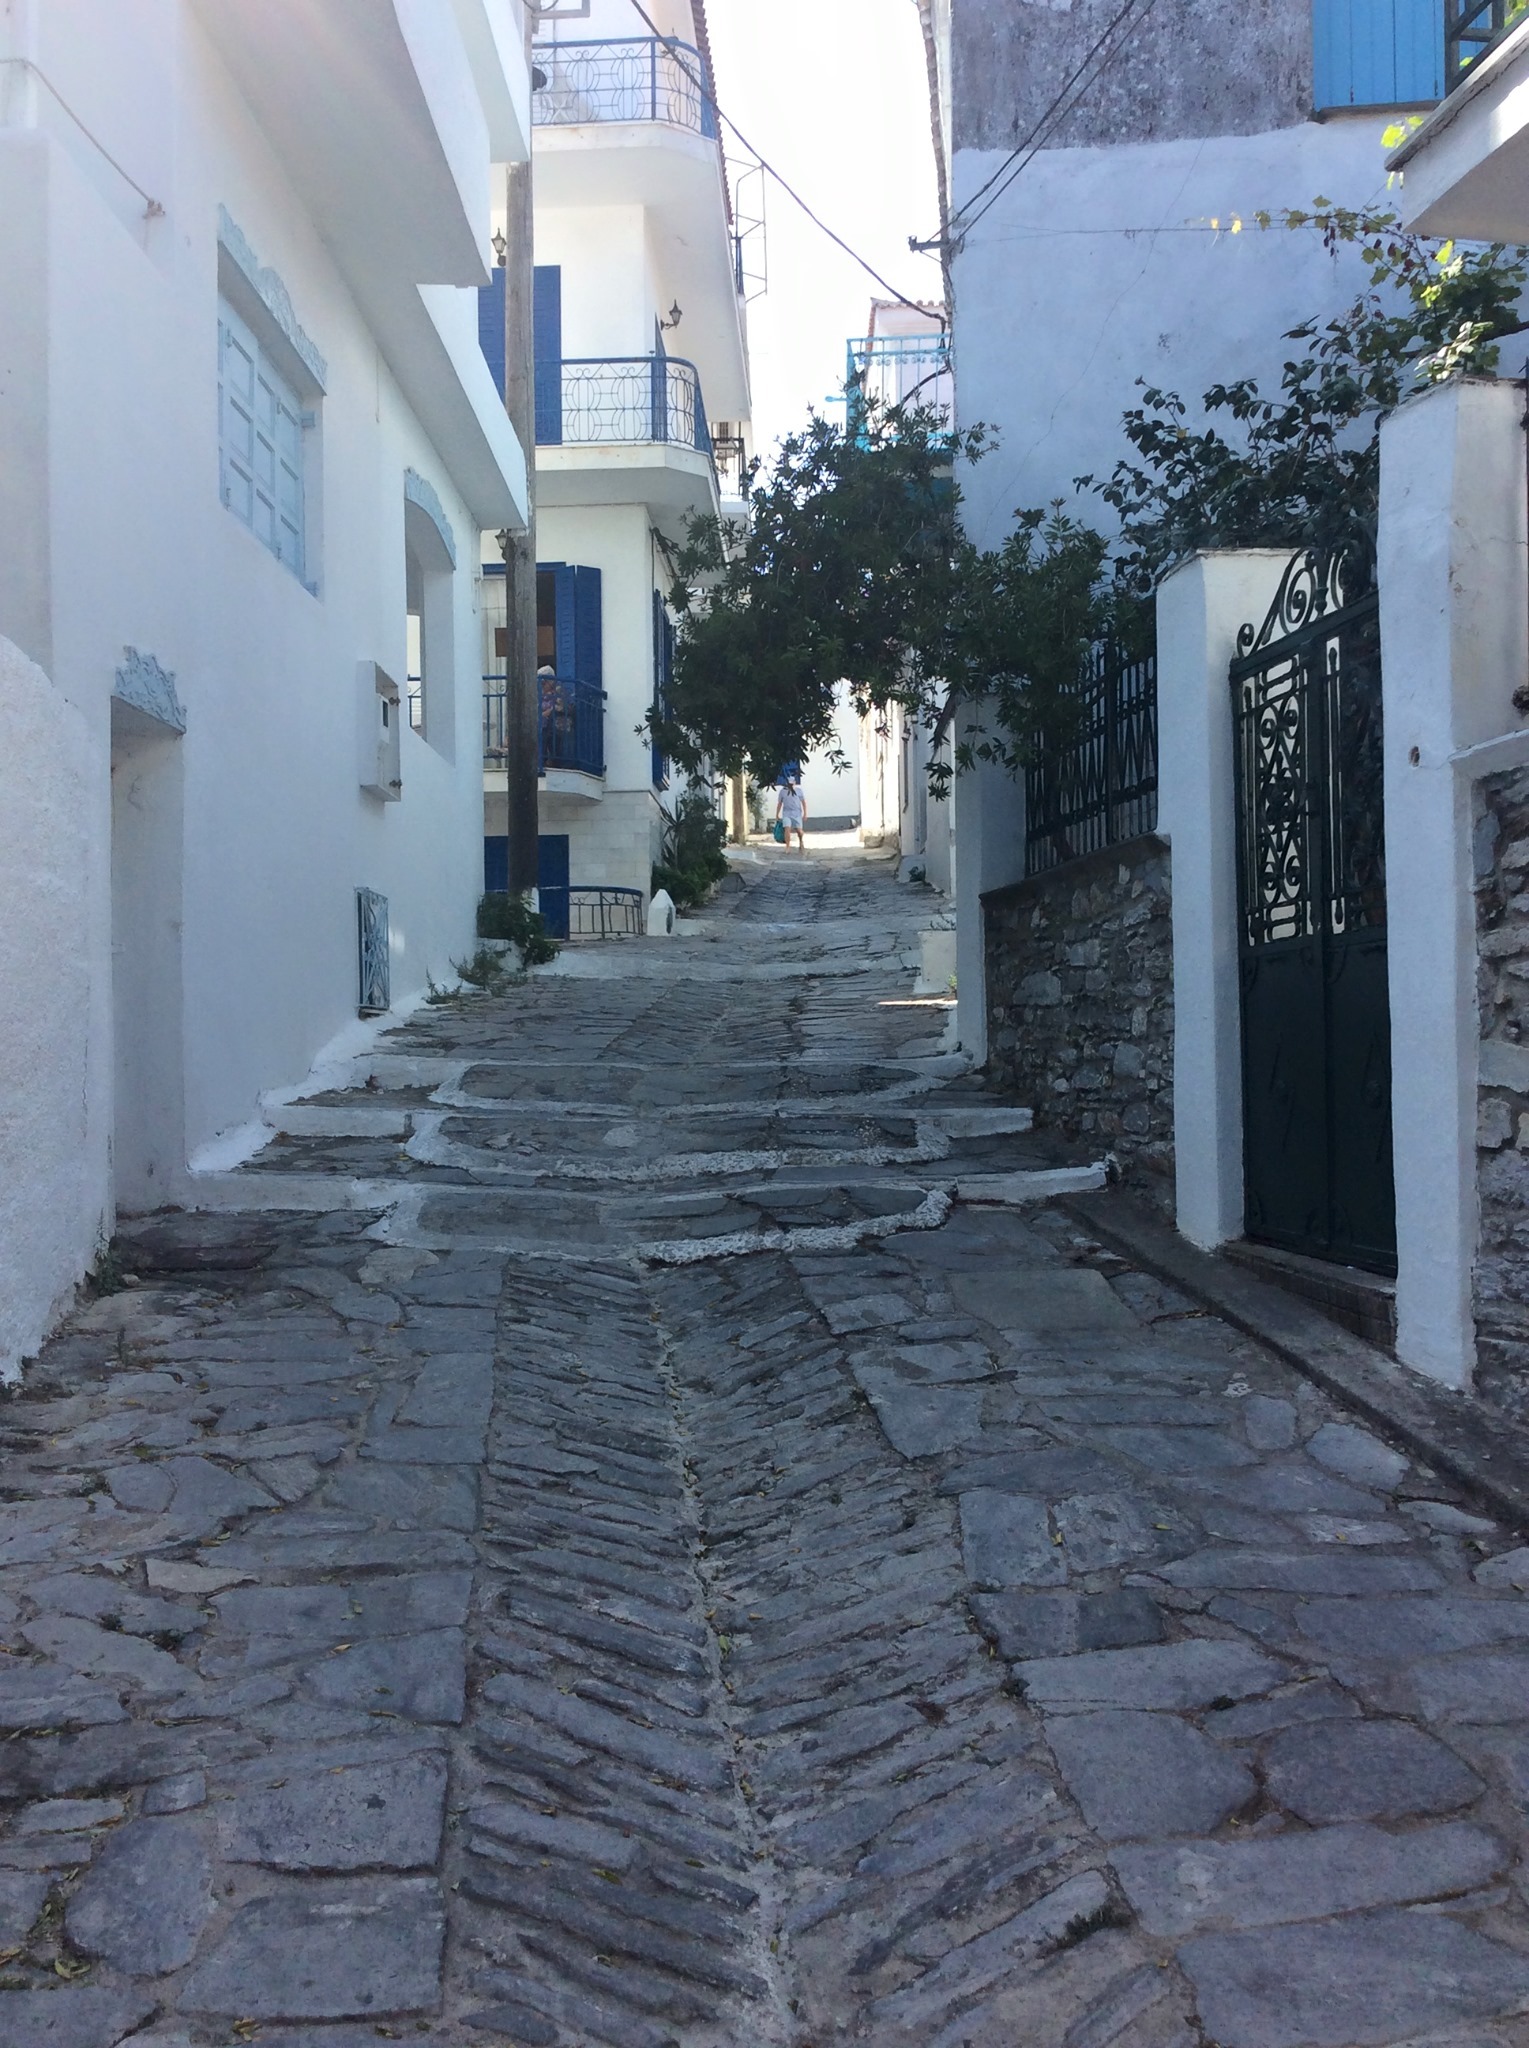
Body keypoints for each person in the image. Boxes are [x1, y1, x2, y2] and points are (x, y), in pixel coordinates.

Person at [776, 776, 807, 852]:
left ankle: (801, 841)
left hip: (797, 813)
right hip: (787, 813)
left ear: (795, 783)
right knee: (787, 828)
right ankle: (788, 846)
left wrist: (805, 813)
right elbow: (779, 803)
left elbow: (803, 802)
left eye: (792, 784)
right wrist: (777, 814)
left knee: (799, 831)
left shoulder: (799, 791)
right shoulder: (782, 792)